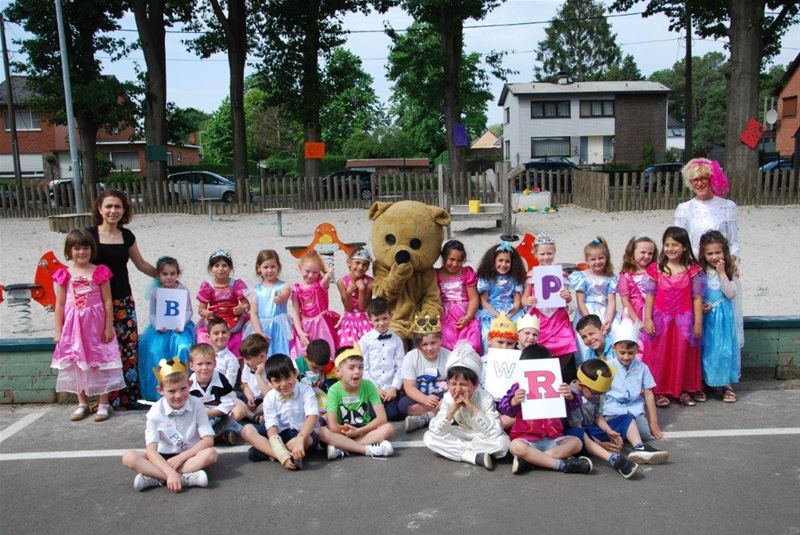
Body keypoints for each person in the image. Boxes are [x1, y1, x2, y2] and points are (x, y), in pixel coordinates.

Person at [88, 190, 157, 409]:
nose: (113, 211)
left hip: (123, 300)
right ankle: (106, 399)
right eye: (108, 206)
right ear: (99, 209)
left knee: (128, 349)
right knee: (103, 349)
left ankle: (129, 397)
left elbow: (141, 264)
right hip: (95, 303)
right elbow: (78, 266)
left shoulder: (127, 236)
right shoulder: (89, 235)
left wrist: (165, 276)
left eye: (118, 207)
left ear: (124, 210)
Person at [52, 229, 125, 422]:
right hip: (73, 327)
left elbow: (108, 302)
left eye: (85, 248)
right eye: (76, 248)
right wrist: (59, 330)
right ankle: (82, 402)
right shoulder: (64, 274)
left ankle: (103, 403)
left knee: (99, 360)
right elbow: (59, 304)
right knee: (76, 360)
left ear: (92, 250)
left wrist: (108, 327)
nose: (81, 252)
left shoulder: (99, 272)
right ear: (69, 251)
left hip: (96, 324)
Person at [674, 158, 743, 348]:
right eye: (695, 179)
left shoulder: (727, 206)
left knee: (722, 317)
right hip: (695, 270)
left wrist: (731, 263)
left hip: (720, 268)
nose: (699, 183)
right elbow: (679, 243)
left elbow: (734, 242)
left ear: (712, 179)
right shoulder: (684, 209)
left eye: (703, 178)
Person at [122, 358, 218, 492]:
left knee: (211, 454)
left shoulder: (196, 404)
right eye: (171, 391)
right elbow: (151, 450)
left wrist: (182, 457)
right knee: (129, 457)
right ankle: (182, 478)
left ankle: (155, 477)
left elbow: (208, 440)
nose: (178, 395)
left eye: (183, 389)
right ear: (160, 390)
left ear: (190, 384)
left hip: (188, 456)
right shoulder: (155, 412)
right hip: (162, 458)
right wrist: (169, 472)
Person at [499, 344, 592, 476]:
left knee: (576, 443)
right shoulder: (519, 387)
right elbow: (504, 408)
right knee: (515, 446)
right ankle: (561, 465)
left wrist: (570, 396)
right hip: (527, 439)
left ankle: (533, 461)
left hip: (553, 439)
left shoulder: (557, 385)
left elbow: (574, 405)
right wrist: (514, 401)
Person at [643, 227, 704, 408]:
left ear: (685, 247)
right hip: (661, 320)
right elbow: (650, 295)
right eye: (667, 244)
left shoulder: (692, 270)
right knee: (660, 354)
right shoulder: (656, 269)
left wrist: (698, 323)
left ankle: (683, 390)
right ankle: (659, 390)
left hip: (684, 321)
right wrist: (648, 319)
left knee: (682, 354)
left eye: (675, 245)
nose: (670, 248)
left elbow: (697, 297)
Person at [423, 343, 510, 470]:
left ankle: (459, 452)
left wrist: (472, 408)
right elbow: (436, 430)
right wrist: (453, 409)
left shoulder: (486, 397)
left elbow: (494, 432)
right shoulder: (448, 397)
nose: (458, 390)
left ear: (475, 384)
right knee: (429, 437)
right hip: (463, 435)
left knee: (503, 443)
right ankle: (473, 457)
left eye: (463, 384)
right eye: (453, 384)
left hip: (482, 437)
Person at [240, 354, 320, 470]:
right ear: (270, 382)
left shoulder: (306, 390)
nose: (284, 384)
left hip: (302, 432)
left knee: (306, 441)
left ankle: (267, 451)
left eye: (287, 378)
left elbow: (312, 417)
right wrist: (282, 456)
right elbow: (272, 431)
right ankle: (283, 456)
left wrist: (300, 440)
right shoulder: (269, 398)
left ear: (295, 374)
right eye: (277, 381)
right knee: (246, 430)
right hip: (281, 433)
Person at [563, 360, 640, 479]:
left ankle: (640, 447)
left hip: (591, 431)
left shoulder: (596, 392)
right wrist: (601, 444)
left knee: (626, 418)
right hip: (577, 434)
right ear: (583, 385)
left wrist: (609, 431)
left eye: (601, 393)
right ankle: (613, 459)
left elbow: (597, 416)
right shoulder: (571, 396)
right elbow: (577, 426)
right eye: (596, 393)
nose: (598, 396)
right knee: (579, 433)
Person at [602, 316, 668, 450]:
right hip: (613, 410)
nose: (626, 357)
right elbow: (601, 393)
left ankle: (624, 436)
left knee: (645, 434)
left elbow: (649, 394)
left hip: (634, 410)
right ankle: (624, 436)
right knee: (614, 430)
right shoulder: (608, 366)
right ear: (614, 348)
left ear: (637, 349)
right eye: (622, 352)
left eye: (630, 353)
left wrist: (654, 424)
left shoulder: (642, 367)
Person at [138, 256, 196, 401]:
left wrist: (182, 323)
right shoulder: (156, 292)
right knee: (155, 351)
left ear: (177, 274)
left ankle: (185, 386)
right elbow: (152, 313)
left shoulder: (183, 289)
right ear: (159, 275)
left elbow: (189, 310)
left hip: (179, 328)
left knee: (184, 347)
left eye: (172, 274)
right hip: (161, 329)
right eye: (165, 274)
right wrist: (158, 324)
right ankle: (161, 390)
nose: (169, 277)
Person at [522, 231, 577, 382]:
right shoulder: (531, 275)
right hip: (540, 318)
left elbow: (567, 298)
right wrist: (528, 300)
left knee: (567, 345)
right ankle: (543, 374)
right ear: (535, 254)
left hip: (558, 317)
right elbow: (524, 298)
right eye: (542, 254)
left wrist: (567, 296)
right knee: (539, 348)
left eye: (549, 253)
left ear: (554, 253)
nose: (546, 257)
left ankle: (557, 373)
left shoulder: (561, 274)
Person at [323, 346, 396, 460]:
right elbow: (333, 426)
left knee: (388, 428)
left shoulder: (369, 385)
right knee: (322, 432)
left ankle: (343, 448)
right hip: (342, 433)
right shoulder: (333, 390)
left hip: (363, 431)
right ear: (338, 371)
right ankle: (366, 449)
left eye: (360, 367)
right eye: (351, 368)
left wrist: (359, 431)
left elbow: (382, 418)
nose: (357, 371)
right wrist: (348, 432)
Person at [699, 231, 740, 402]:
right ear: (703, 254)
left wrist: (722, 273)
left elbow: (731, 293)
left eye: (718, 252)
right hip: (706, 316)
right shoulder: (700, 271)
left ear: (724, 251)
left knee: (723, 349)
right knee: (706, 349)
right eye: (710, 253)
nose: (714, 256)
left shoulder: (730, 269)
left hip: (723, 316)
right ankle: (704, 382)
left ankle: (726, 385)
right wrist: (700, 305)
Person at [399, 313, 451, 433]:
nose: (429, 348)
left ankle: (426, 418)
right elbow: (409, 387)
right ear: (418, 345)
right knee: (402, 406)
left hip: (443, 395)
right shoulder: (411, 357)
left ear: (440, 340)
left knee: (455, 400)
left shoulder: (449, 356)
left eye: (433, 343)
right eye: (424, 344)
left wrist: (447, 399)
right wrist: (424, 399)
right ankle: (439, 415)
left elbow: (454, 385)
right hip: (421, 395)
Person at [569, 236, 618, 358]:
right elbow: (580, 302)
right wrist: (589, 320)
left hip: (605, 310)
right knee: (585, 339)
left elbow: (611, 301)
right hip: (587, 311)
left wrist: (609, 320)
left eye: (601, 258)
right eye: (593, 259)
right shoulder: (582, 277)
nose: (597, 262)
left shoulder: (610, 277)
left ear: (606, 258)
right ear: (587, 260)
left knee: (614, 334)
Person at [359, 297, 405, 421]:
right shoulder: (365, 340)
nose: (381, 323)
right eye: (377, 320)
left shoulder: (397, 340)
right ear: (370, 320)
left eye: (385, 318)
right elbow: (363, 368)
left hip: (390, 389)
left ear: (391, 315)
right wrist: (375, 389)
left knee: (394, 414)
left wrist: (394, 388)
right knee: (371, 415)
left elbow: (400, 367)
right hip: (372, 388)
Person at [188, 343, 244, 446]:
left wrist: (211, 413)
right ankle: (221, 437)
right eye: (200, 364)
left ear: (215, 363)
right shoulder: (188, 383)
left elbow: (229, 402)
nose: (204, 367)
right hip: (198, 417)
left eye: (208, 363)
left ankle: (208, 438)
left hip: (217, 415)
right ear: (191, 365)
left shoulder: (221, 379)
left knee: (239, 412)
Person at [196, 249, 249, 357]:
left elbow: (247, 304)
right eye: (216, 265)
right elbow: (201, 309)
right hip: (214, 318)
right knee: (204, 338)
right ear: (211, 269)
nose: (220, 269)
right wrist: (205, 313)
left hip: (233, 318)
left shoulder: (237, 284)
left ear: (230, 268)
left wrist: (242, 308)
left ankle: (237, 364)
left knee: (239, 339)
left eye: (224, 265)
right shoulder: (207, 286)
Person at [475, 242, 526, 351]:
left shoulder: (515, 278)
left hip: (511, 312)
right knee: (486, 334)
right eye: (500, 260)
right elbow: (484, 301)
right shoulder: (487, 278)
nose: (503, 264)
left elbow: (517, 302)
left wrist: (508, 316)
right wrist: (498, 316)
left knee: (519, 332)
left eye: (507, 261)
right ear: (493, 261)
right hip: (491, 311)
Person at [291, 251, 340, 357]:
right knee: (306, 351)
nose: (310, 275)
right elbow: (295, 313)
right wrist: (300, 332)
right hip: (305, 325)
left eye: (315, 272)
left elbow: (327, 279)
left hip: (321, 324)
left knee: (325, 350)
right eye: (307, 271)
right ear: (300, 268)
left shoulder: (321, 285)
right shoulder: (296, 289)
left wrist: (328, 272)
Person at [436, 240, 481, 354]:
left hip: (465, 312)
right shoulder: (436, 274)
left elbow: (474, 298)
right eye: (451, 259)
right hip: (445, 313)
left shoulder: (467, 273)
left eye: (459, 260)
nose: (455, 264)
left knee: (472, 341)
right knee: (446, 340)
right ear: (443, 257)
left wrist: (468, 317)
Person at [245, 249, 292, 357]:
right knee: (262, 353)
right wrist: (259, 332)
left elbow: (286, 295)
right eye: (266, 267)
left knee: (281, 351)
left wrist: (281, 298)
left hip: (279, 325)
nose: (269, 270)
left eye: (273, 267)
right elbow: (254, 313)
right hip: (261, 326)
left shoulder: (283, 286)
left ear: (278, 267)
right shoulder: (255, 290)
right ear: (259, 268)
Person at [618, 235, 658, 360]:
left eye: (650, 253)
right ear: (632, 253)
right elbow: (625, 300)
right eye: (643, 252)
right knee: (637, 342)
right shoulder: (626, 275)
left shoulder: (656, 271)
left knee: (654, 341)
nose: (646, 256)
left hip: (653, 309)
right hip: (634, 312)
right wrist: (637, 321)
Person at [336, 248, 374, 347]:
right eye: (357, 263)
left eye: (364, 264)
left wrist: (362, 289)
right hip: (349, 321)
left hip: (365, 320)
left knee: (367, 346)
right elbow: (348, 308)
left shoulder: (370, 282)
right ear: (349, 263)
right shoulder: (342, 282)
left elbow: (362, 308)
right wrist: (349, 292)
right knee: (349, 346)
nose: (360, 267)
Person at [295, 339, 338, 412]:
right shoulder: (297, 366)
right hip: (303, 400)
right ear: (306, 356)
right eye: (314, 367)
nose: (317, 371)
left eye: (321, 369)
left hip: (321, 399)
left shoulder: (328, 365)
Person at [239, 333, 271, 419]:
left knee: (269, 403)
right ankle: (251, 415)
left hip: (264, 401)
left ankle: (253, 415)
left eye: (248, 359)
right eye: (244, 358)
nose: (245, 362)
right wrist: (250, 397)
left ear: (262, 356)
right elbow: (245, 384)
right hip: (252, 398)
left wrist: (258, 375)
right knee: (232, 395)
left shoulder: (271, 368)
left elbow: (270, 395)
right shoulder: (247, 366)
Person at [206, 316, 240, 388]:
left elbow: (229, 385)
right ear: (208, 336)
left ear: (229, 334)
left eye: (224, 332)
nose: (220, 336)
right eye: (216, 333)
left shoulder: (232, 360)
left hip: (222, 395)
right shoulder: (202, 355)